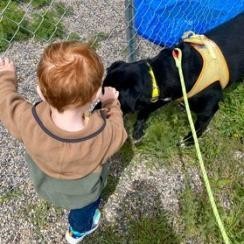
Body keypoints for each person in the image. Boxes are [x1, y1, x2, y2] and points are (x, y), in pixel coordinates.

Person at [0, 41, 127, 243]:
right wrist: (111, 103)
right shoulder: (102, 134)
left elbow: (7, 103)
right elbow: (119, 131)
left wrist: (6, 78)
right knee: (84, 212)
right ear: (95, 95)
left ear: (41, 93)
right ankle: (77, 232)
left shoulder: (29, 121)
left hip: (45, 185)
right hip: (84, 195)